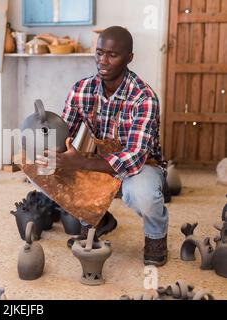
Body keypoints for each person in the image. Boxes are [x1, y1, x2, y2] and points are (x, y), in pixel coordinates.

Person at [36, 26, 169, 267]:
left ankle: (156, 237)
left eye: (112, 55)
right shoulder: (82, 90)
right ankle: (100, 219)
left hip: (141, 166)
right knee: (42, 170)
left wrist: (80, 163)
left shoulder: (144, 97)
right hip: (98, 161)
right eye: (99, 53)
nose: (103, 61)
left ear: (129, 58)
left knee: (141, 195)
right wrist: (52, 150)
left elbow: (134, 158)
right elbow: (64, 133)